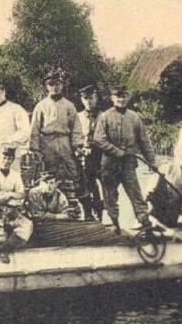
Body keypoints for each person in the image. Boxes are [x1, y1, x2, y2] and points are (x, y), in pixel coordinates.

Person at [93, 86, 156, 237]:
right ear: (112, 98)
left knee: (136, 194)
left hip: (128, 163)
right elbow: (98, 139)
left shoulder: (134, 117)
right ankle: (115, 226)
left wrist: (151, 161)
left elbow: (144, 141)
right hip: (109, 164)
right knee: (110, 196)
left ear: (128, 98)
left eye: (124, 96)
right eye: (117, 97)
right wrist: (117, 152)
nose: (121, 100)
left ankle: (146, 226)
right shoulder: (105, 116)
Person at [29, 69, 85, 195]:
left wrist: (77, 145)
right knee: (48, 173)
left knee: (72, 172)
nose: (54, 87)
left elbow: (76, 127)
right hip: (47, 142)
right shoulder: (41, 106)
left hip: (64, 141)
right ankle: (51, 203)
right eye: (51, 84)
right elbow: (35, 128)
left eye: (57, 84)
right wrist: (35, 149)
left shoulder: (69, 105)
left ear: (62, 85)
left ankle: (72, 205)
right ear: (46, 86)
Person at [0, 146, 34, 263]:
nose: (6, 161)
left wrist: (6, 196)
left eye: (9, 159)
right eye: (4, 158)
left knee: (27, 226)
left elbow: (21, 195)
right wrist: (11, 195)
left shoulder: (15, 175)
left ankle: (3, 250)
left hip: (11, 210)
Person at [146, 146, 182, 228]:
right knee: (149, 224)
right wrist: (149, 204)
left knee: (170, 228)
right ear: (181, 157)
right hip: (157, 206)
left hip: (174, 210)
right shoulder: (167, 168)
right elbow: (151, 189)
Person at [76, 84, 105, 222]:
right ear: (82, 100)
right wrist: (79, 149)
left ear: (97, 98)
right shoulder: (77, 117)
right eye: (85, 98)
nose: (89, 101)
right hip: (84, 155)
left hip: (101, 154)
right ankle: (89, 213)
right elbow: (75, 136)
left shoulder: (104, 116)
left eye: (92, 98)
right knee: (87, 184)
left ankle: (104, 214)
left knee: (105, 185)